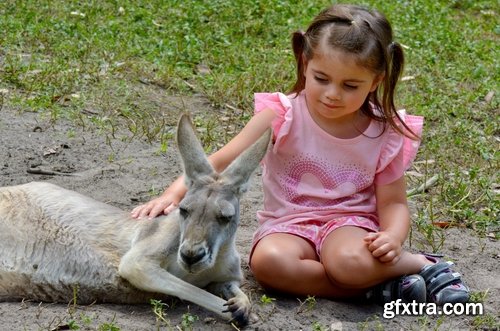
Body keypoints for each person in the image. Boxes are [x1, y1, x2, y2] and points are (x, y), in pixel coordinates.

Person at [131, 4, 469, 305]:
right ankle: (381, 290)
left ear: (376, 80)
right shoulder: (281, 115)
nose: (332, 94)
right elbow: (219, 161)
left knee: (346, 263)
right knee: (267, 265)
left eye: (350, 85)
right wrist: (173, 194)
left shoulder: (383, 131)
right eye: (321, 78)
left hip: (349, 225)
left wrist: (393, 238)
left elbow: (393, 203)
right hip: (287, 226)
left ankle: (423, 264)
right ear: (305, 63)